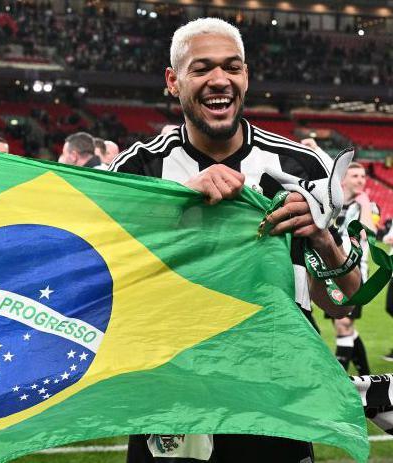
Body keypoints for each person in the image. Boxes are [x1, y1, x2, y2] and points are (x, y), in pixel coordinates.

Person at [110, 17, 360, 463]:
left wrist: (321, 238)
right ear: (173, 81)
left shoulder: (300, 165)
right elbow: (101, 287)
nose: (219, 80)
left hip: (274, 403)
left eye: (232, 67)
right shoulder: (139, 172)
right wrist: (175, 201)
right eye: (201, 68)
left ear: (246, 76)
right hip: (172, 403)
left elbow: (343, 303)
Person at [326, 161, 375, 374]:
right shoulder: (331, 204)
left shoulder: (369, 206)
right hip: (331, 272)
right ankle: (366, 375)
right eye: (355, 176)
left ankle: (339, 380)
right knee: (344, 327)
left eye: (363, 177)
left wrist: (364, 205)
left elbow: (367, 234)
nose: (361, 181)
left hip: (355, 274)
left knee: (343, 325)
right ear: (343, 179)